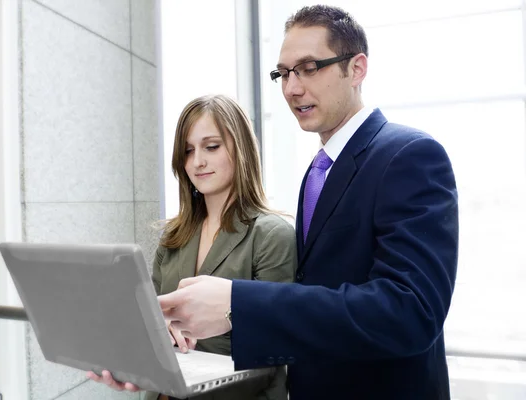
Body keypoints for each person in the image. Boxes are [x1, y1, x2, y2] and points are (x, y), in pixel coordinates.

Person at [157, 5, 459, 400]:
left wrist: (237, 303)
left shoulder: (410, 154)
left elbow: (410, 313)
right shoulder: (319, 171)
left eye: (309, 67)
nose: (291, 88)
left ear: (357, 68)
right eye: (283, 73)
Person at [87, 94, 296, 400]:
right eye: (188, 151)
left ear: (241, 149)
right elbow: (152, 326)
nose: (197, 161)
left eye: (211, 147)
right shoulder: (174, 236)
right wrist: (131, 361)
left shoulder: (271, 235)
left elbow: (275, 348)